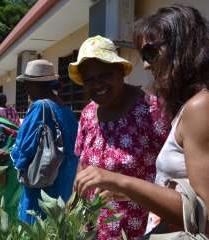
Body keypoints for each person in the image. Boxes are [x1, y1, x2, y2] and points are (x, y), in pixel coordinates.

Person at [74, 5, 209, 237]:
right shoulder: (87, 114)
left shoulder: (189, 107)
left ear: (182, 46)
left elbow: (202, 213)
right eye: (89, 79)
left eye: (150, 52)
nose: (146, 65)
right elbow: (170, 183)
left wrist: (118, 182)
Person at [68, 35, 169, 239]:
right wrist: (72, 210)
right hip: (92, 229)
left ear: (121, 72)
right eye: (89, 79)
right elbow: (83, 166)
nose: (97, 84)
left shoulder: (151, 110)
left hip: (137, 230)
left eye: (104, 75)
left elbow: (171, 176)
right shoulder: (88, 114)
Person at [7, 59, 79, 224]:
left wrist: (12, 159)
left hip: (42, 186)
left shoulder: (40, 107)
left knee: (36, 228)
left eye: (27, 83)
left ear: (38, 85)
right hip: (65, 183)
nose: (26, 88)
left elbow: (23, 151)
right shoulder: (66, 110)